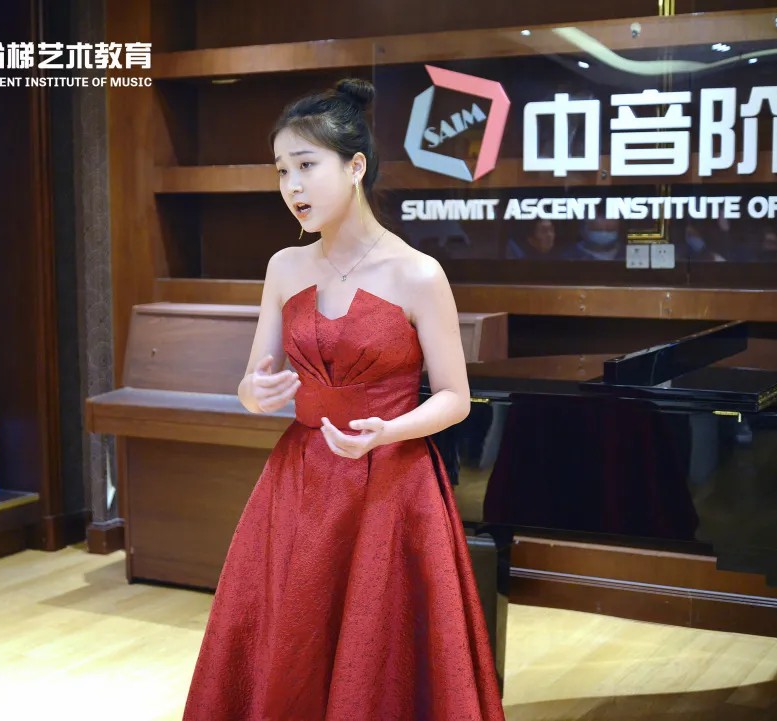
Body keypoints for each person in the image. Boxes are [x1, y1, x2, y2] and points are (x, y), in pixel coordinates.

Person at [181, 78, 506, 721]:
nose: (292, 186)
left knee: (381, 650)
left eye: (306, 166)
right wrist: (256, 394)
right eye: (282, 171)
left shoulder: (417, 273)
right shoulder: (284, 266)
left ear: (355, 167)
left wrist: (388, 432)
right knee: (292, 639)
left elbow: (455, 397)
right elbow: (252, 382)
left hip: (392, 485)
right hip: (298, 480)